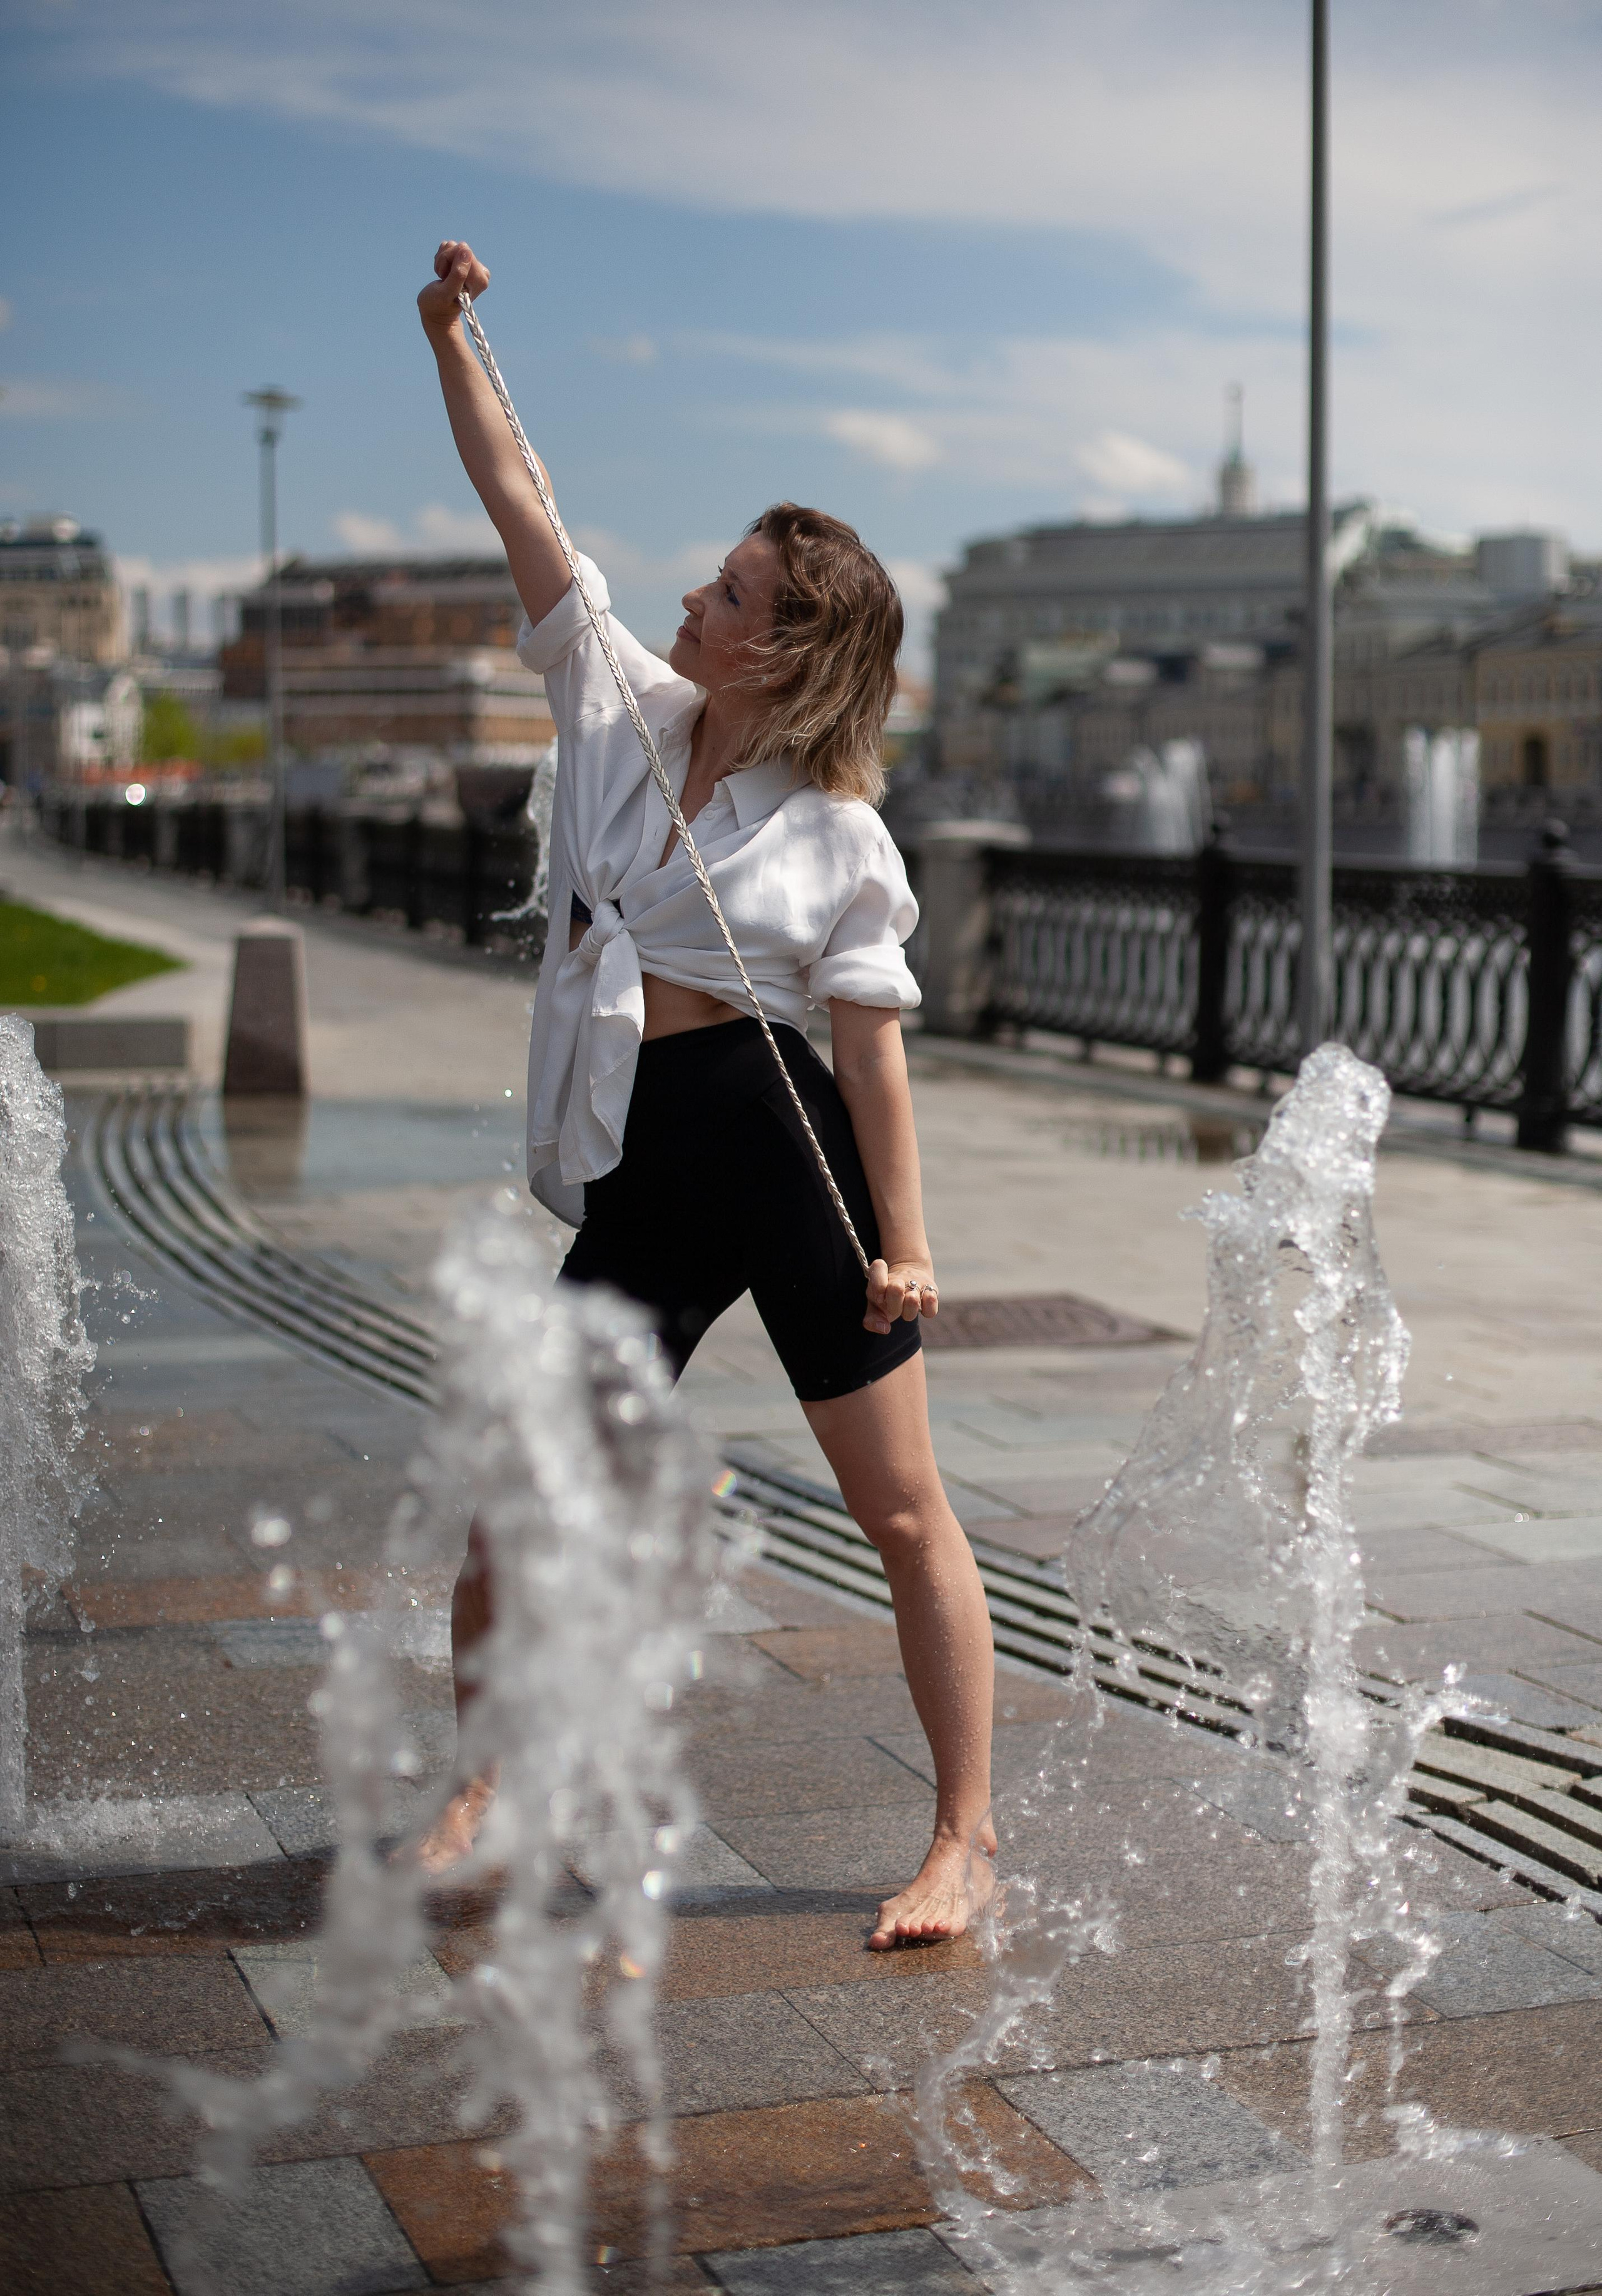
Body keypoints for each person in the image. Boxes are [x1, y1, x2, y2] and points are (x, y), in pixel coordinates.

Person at [415, 240, 995, 1949]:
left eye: (732, 593)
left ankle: (965, 1839)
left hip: (782, 1151)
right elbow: (516, 483)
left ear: (785, 652)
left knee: (902, 1509)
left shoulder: (841, 840)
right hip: (641, 1160)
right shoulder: (615, 706)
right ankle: (484, 1787)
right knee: (511, 1500)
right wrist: (452, 331)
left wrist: (909, 1242)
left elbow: (868, 1048)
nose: (696, 598)